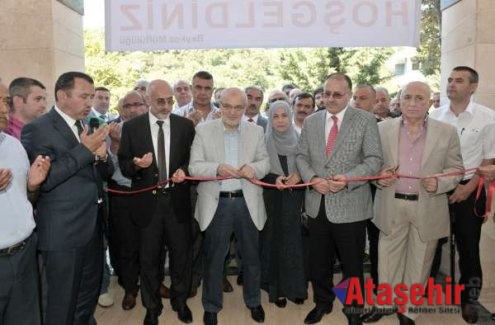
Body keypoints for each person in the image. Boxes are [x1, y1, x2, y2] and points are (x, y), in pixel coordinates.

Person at [363, 81, 463, 325]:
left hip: (427, 204)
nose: (413, 103)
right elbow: (371, 163)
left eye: (420, 98)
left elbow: (457, 168)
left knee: (420, 262)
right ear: (400, 101)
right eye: (408, 97)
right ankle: (385, 303)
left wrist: (440, 183)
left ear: (429, 102)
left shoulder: (446, 131)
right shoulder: (382, 129)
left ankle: (409, 311)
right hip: (391, 204)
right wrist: (380, 176)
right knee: (387, 259)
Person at [21, 71, 113, 325]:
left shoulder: (88, 125)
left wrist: (104, 157)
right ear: (62, 95)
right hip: (62, 234)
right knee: (60, 306)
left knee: (86, 300)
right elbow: (45, 179)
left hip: (93, 229)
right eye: (84, 96)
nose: (89, 102)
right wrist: (85, 150)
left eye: (92, 97)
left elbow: (108, 173)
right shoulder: (37, 130)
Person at [296, 73, 383, 325]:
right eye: (327, 93)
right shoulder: (311, 121)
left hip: (351, 203)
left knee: (351, 264)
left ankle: (353, 308)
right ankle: (322, 303)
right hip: (317, 203)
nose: (331, 99)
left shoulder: (366, 120)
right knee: (319, 262)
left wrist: (347, 178)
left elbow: (374, 160)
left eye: (337, 94)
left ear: (348, 94)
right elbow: (301, 156)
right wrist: (313, 178)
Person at [189, 87, 270, 325]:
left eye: (238, 107)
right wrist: (216, 168)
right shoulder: (203, 131)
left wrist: (253, 169)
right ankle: (211, 306)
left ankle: (254, 302)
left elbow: (265, 162)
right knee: (214, 259)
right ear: (219, 106)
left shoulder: (256, 131)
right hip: (218, 204)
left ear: (246, 108)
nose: (232, 112)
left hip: (248, 203)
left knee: (252, 258)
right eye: (227, 106)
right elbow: (194, 167)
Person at [118, 79, 195, 325]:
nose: (166, 105)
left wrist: (185, 170)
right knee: (149, 259)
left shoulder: (185, 126)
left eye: (170, 100)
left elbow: (191, 159)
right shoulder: (132, 128)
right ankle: (152, 307)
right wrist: (137, 166)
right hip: (146, 206)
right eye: (161, 101)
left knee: (181, 257)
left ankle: (180, 302)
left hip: (177, 202)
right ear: (148, 100)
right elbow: (124, 164)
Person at [429, 66, 495, 324]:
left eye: (459, 80)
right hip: (439, 188)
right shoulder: (435, 116)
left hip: (472, 188)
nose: (452, 84)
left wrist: (467, 188)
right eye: (450, 80)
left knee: (468, 247)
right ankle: (426, 288)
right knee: (432, 241)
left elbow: (489, 160)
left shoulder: (488, 118)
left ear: (473, 87)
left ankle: (469, 299)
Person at [0, 81, 50, 325]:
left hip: (24, 254)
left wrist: (33, 185)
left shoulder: (14, 145)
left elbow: (24, 200)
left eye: (6, 102)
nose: (4, 109)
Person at [260, 100, 307, 308]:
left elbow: (308, 166)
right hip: (272, 197)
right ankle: (276, 289)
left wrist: (299, 174)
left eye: (284, 115)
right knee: (274, 242)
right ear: (270, 118)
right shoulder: (262, 142)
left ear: (291, 116)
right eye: (275, 116)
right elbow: (259, 169)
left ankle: (296, 288)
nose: (280, 120)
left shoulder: (300, 141)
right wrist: (274, 179)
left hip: (295, 197)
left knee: (295, 243)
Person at [107, 90, 148, 311]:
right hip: (122, 195)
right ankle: (130, 288)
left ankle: (155, 283)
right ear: (121, 109)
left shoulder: (154, 127)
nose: (132, 109)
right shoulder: (111, 130)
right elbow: (105, 169)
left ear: (146, 105)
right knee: (126, 244)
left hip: (149, 192)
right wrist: (115, 146)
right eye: (127, 105)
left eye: (137, 104)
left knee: (153, 242)